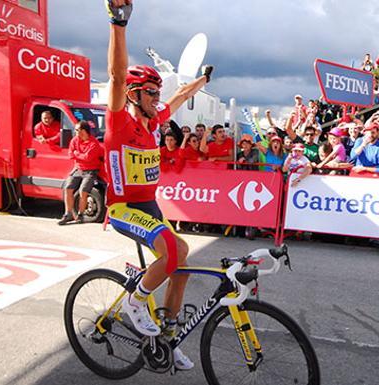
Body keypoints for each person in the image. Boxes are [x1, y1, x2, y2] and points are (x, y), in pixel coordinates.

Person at [104, 0, 213, 370]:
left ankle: (167, 337)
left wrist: (203, 81)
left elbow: (180, 97)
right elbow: (117, 76)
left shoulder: (153, 121)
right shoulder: (120, 121)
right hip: (122, 209)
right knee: (169, 247)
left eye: (156, 91)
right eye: (150, 92)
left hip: (148, 207)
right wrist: (118, 24)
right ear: (134, 95)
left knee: (181, 259)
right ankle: (136, 301)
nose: (157, 97)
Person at [57, 121, 104, 225]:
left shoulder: (94, 143)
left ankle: (81, 215)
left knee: (83, 190)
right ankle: (68, 214)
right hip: (78, 169)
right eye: (76, 130)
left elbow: (88, 158)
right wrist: (79, 155)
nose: (76, 132)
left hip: (91, 170)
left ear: (85, 131)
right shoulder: (74, 140)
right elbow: (70, 154)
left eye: (78, 130)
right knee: (68, 188)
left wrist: (77, 153)